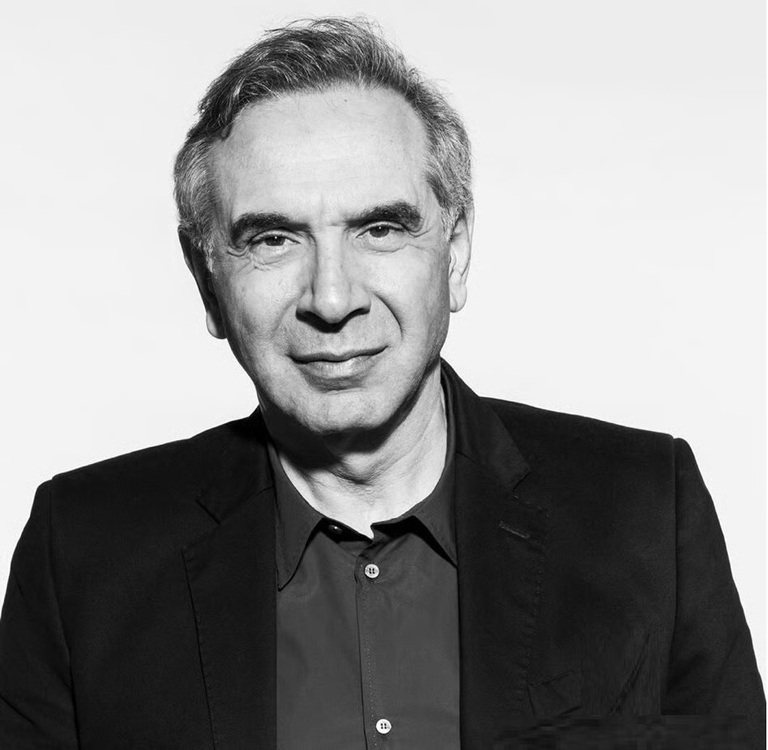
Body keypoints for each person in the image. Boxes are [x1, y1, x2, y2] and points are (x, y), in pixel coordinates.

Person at [0, 16, 764, 750]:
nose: (332, 298)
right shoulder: (83, 558)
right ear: (207, 281)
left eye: (380, 229)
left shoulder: (645, 515)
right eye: (273, 239)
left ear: (455, 254)